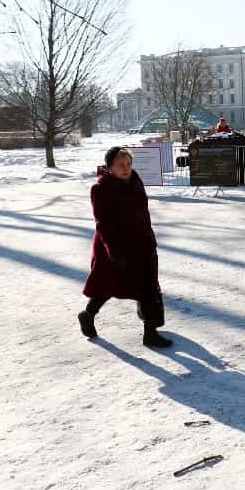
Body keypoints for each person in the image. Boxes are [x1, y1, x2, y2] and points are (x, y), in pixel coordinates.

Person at [77, 146, 172, 348]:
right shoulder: (101, 189)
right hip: (113, 246)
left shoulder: (135, 181)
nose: (126, 168)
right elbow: (102, 222)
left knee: (148, 286)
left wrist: (149, 238)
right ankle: (88, 314)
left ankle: (150, 333)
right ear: (109, 166)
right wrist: (114, 250)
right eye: (121, 165)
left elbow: (143, 215)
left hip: (141, 244)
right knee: (108, 285)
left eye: (128, 164)